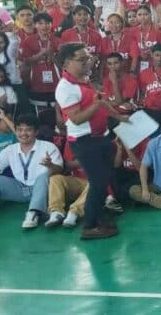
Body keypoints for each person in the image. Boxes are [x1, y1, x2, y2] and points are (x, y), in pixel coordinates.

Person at [55, 43, 125, 239]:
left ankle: (99, 216)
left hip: (99, 137)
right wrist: (96, 104)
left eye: (88, 58)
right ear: (68, 62)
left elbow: (101, 102)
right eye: (82, 59)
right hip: (85, 141)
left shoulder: (83, 81)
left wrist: (119, 117)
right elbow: (76, 118)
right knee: (97, 182)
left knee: (105, 180)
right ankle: (90, 226)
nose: (88, 62)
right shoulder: (65, 88)